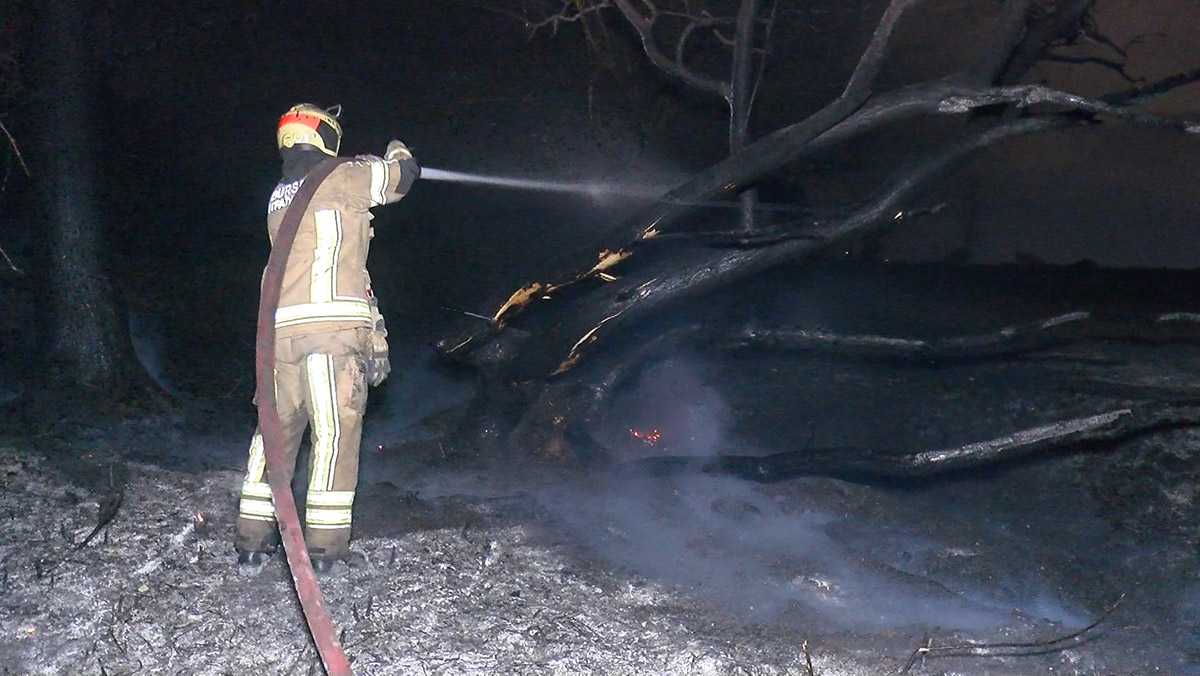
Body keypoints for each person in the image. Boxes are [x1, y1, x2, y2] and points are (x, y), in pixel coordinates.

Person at [235, 102, 420, 574]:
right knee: (334, 434)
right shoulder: (342, 176)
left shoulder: (280, 194)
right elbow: (401, 176)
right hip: (329, 335)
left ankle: (252, 541)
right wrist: (399, 148)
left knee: (274, 436)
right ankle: (325, 549)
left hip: (279, 338)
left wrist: (375, 334)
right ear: (325, 137)